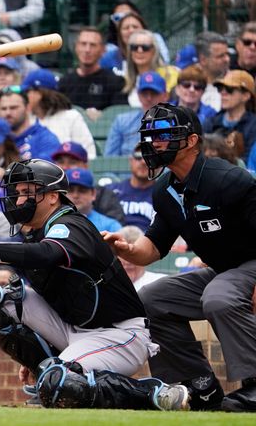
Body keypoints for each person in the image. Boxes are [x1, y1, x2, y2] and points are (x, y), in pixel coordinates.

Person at [0, 159, 190, 410]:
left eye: (27, 193)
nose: (19, 201)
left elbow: (48, 254)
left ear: (52, 196)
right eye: (18, 193)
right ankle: (48, 373)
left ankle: (153, 393)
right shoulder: (34, 231)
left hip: (119, 333)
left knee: (59, 382)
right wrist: (36, 356)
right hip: (73, 328)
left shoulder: (71, 224)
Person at [102, 103, 256, 411]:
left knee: (219, 296)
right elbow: (154, 247)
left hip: (249, 266)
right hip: (224, 270)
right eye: (150, 136)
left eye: (163, 135)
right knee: (151, 299)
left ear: (191, 141)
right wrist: (127, 249)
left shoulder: (228, 179)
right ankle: (197, 387)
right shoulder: (166, 189)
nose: (153, 143)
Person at [23, 70, 96, 158]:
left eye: (27, 92)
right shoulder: (23, 119)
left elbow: (89, 154)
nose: (23, 97)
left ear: (40, 93)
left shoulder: (71, 117)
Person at [59, 27, 125, 112]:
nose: (87, 50)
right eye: (83, 44)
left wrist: (101, 117)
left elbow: (119, 115)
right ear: (76, 47)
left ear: (103, 50)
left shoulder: (115, 82)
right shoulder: (65, 82)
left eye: (93, 45)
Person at [105, 72, 169, 157]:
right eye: (144, 93)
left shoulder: (175, 122)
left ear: (165, 96)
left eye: (154, 93)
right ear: (138, 95)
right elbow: (110, 159)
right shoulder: (122, 121)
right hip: (126, 169)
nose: (149, 98)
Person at [202, 70, 256, 159]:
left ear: (246, 96)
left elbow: (250, 162)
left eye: (229, 89)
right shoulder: (210, 122)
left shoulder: (253, 125)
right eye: (220, 88)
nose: (223, 93)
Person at [0, 86, 61, 161]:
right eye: (3, 109)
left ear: (28, 108)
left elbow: (46, 170)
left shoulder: (45, 138)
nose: (7, 113)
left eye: (13, 108)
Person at [123, 29, 180, 108]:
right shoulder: (125, 79)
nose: (140, 51)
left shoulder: (172, 74)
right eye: (134, 47)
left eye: (145, 47)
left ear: (154, 50)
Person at [108, 145, 155, 231]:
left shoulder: (165, 194)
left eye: (149, 157)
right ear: (131, 160)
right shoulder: (111, 191)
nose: (144, 162)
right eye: (138, 156)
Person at [65, 168, 123, 233]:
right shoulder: (53, 220)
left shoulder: (111, 226)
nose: (75, 195)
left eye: (82, 190)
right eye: (70, 190)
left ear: (93, 194)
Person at [116, 225, 166, 292]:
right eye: (124, 255)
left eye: (133, 254)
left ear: (144, 256)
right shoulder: (106, 285)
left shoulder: (160, 283)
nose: (128, 262)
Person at [194, 31, 230, 112]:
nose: (227, 59)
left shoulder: (236, 84)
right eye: (221, 56)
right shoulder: (187, 85)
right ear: (203, 60)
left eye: (227, 54)